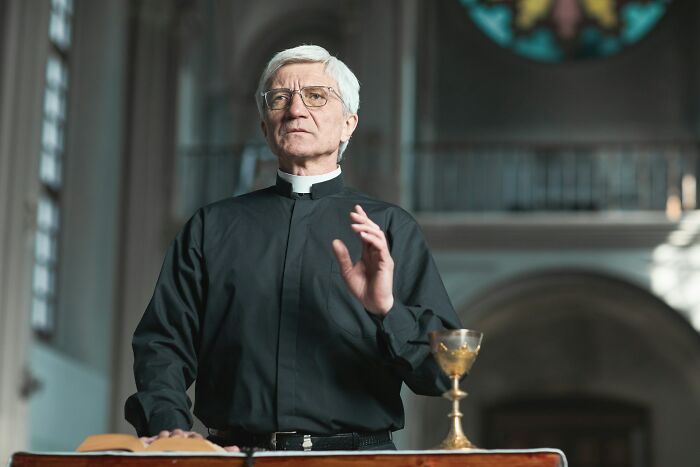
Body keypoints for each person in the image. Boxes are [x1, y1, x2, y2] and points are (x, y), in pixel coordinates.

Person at [125, 44, 462, 452]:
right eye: (280, 99)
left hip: (357, 462)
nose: (296, 110)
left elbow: (443, 375)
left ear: (348, 124)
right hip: (236, 459)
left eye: (317, 96)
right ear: (266, 127)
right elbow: (163, 343)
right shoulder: (210, 227)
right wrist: (170, 428)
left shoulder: (389, 227)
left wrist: (388, 310)